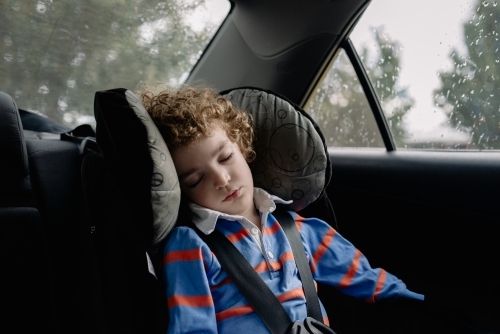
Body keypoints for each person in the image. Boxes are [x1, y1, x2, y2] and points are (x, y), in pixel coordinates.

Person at [140, 85, 425, 334]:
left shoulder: (299, 228)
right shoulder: (190, 246)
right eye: (197, 179)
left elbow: (367, 278)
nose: (222, 180)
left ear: (242, 147)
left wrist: (423, 309)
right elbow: (193, 327)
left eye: (226, 157)